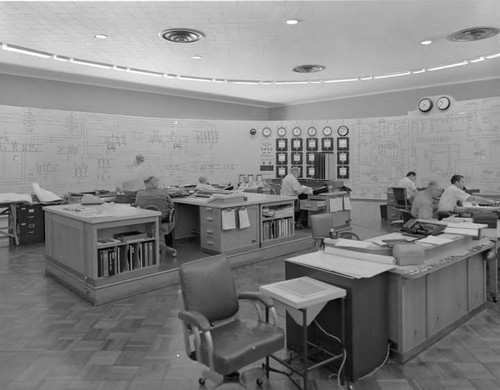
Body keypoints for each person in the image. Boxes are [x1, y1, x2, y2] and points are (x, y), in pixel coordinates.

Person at [135, 176, 174, 246]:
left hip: (147, 221)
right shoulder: (163, 192)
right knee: (169, 214)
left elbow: (136, 205)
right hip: (162, 220)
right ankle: (169, 244)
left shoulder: (139, 193)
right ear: (154, 183)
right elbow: (171, 205)